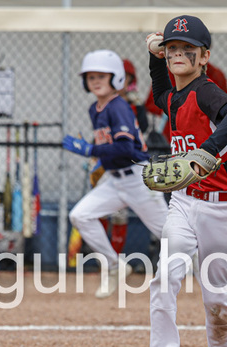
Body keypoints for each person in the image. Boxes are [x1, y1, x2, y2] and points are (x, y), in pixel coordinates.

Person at [138, 15, 227, 347]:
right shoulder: (173, 97)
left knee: (215, 294)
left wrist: (208, 149)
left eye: (188, 49)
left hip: (223, 208)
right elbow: (159, 92)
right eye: (172, 49)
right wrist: (154, 56)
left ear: (204, 57)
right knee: (164, 277)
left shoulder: (205, 91)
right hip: (185, 202)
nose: (178, 54)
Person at [62, 49, 169, 299]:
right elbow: (110, 148)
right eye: (91, 77)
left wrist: (90, 150)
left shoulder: (118, 106)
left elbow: (125, 148)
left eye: (102, 76)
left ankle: (213, 267)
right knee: (80, 215)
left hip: (138, 179)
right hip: (114, 180)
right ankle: (114, 265)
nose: (96, 81)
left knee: (171, 236)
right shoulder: (95, 109)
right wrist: (96, 158)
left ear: (116, 78)